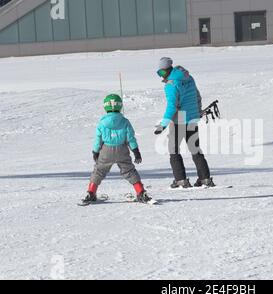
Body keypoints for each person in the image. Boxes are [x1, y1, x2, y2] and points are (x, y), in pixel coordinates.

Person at [155, 57, 214, 189]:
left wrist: (163, 125)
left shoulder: (171, 85)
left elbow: (172, 107)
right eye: (159, 73)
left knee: (173, 150)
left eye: (162, 73)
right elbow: (197, 96)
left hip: (179, 119)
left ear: (169, 70)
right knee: (195, 149)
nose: (162, 76)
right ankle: (205, 178)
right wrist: (197, 111)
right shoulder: (189, 78)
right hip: (192, 117)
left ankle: (180, 180)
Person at [83, 94, 151, 204]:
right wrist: (136, 151)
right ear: (120, 106)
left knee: (99, 170)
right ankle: (140, 191)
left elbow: (98, 139)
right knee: (129, 170)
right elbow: (130, 138)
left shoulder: (102, 123)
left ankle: (91, 192)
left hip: (106, 150)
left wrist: (95, 151)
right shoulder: (124, 121)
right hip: (122, 150)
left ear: (105, 107)